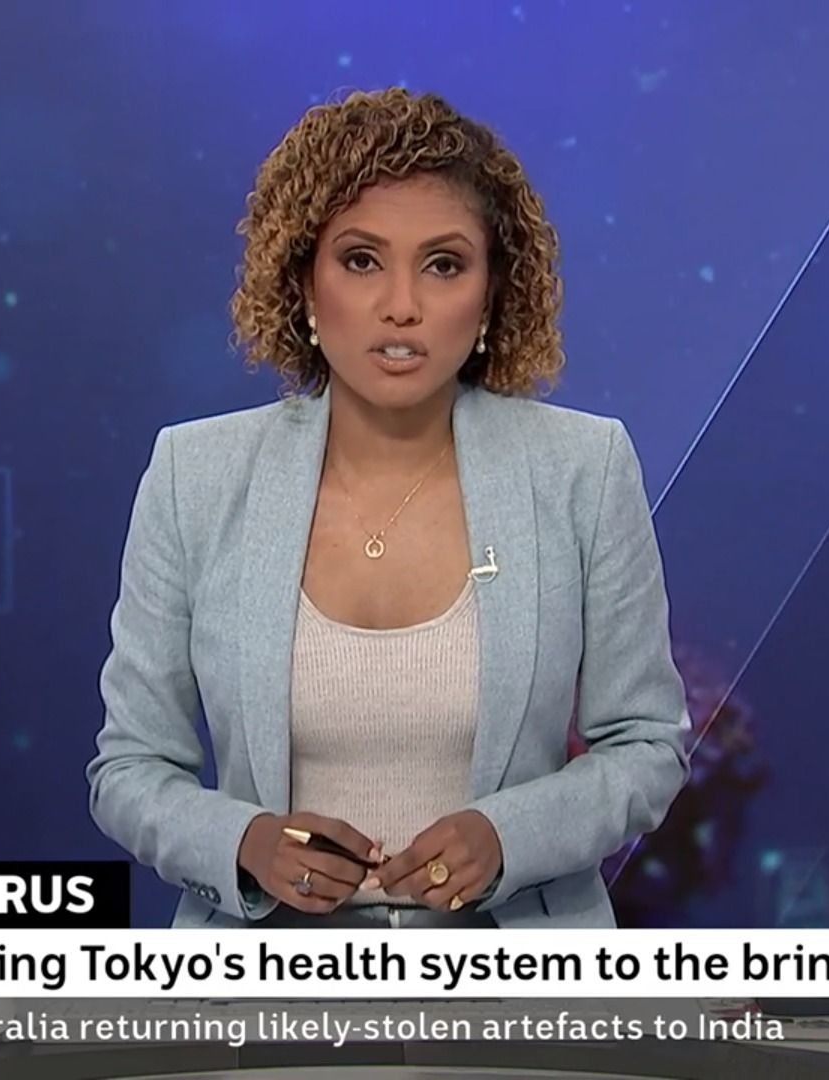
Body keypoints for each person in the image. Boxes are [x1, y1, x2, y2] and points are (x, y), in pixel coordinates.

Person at [87, 87, 689, 929]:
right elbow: (129, 768)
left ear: (490, 295)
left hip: (519, 974)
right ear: (304, 282)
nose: (401, 304)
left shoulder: (582, 470)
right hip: (267, 978)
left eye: (443, 265)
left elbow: (648, 744)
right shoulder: (197, 476)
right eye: (362, 260)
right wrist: (246, 843)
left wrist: (509, 836)